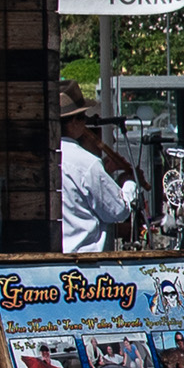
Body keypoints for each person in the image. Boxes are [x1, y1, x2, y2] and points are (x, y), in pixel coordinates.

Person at [55, 102, 139, 255]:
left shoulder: (48, 156)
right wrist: (129, 182)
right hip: (85, 258)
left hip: (53, 257)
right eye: (83, 118)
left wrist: (105, 174)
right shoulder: (87, 163)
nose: (85, 124)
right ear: (73, 122)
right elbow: (118, 211)